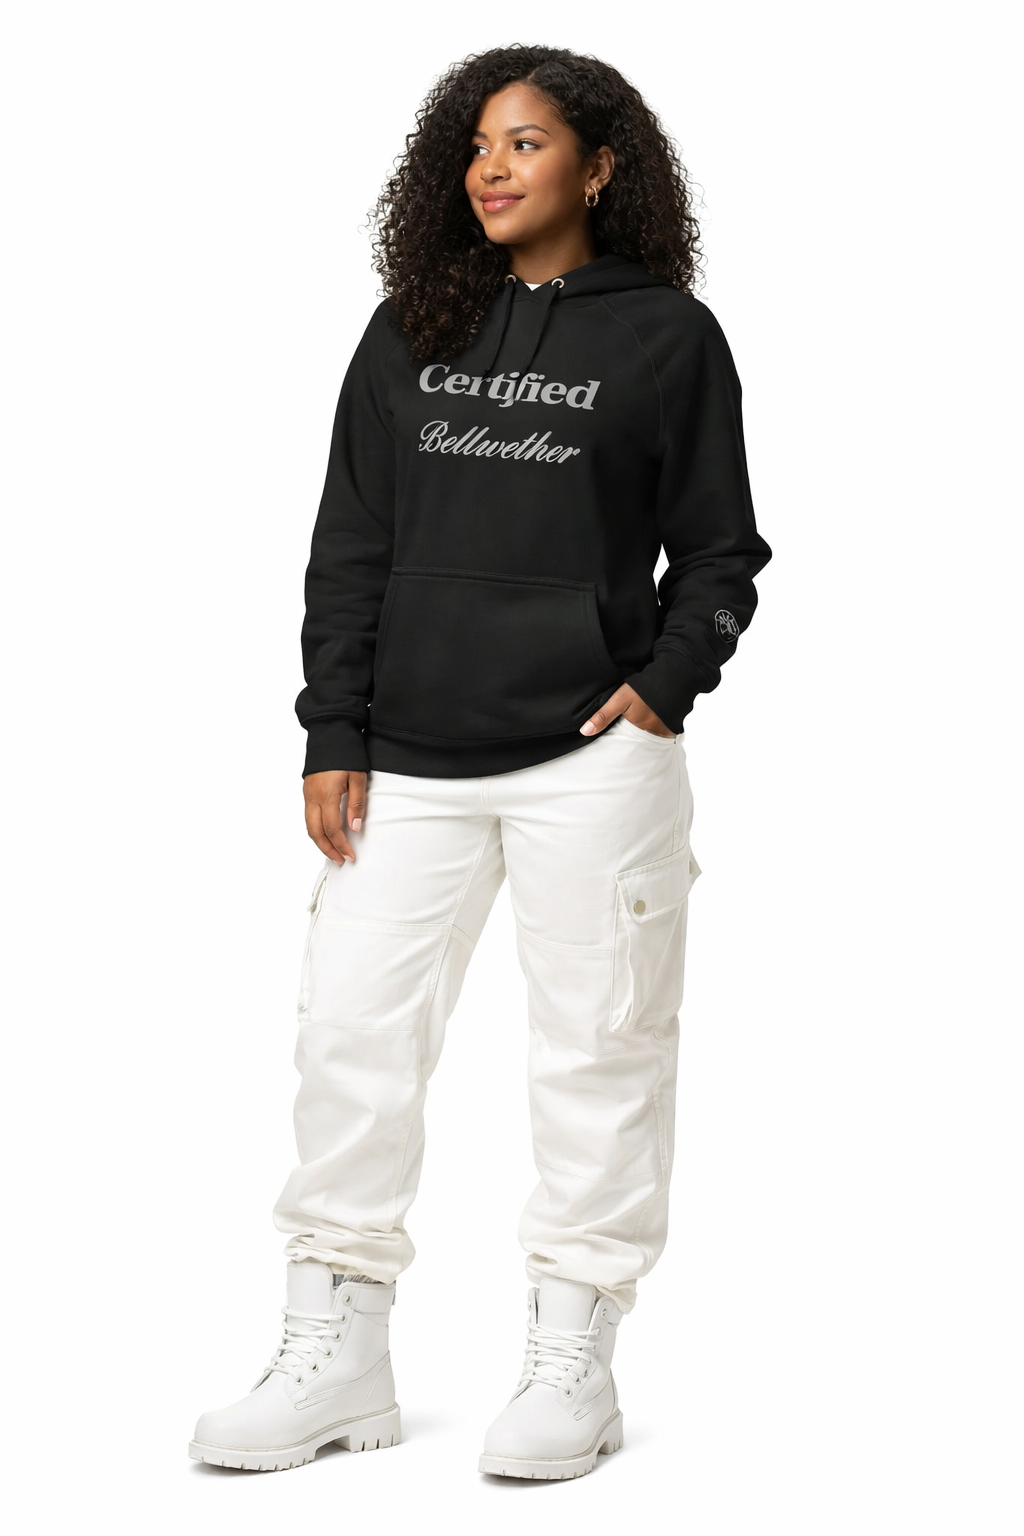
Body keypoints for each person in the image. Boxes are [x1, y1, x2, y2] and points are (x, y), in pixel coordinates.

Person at [190, 43, 772, 1480]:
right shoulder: (411, 328)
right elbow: (351, 542)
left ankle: (572, 1359)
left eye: (526, 142)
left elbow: (720, 550)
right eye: (477, 145)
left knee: (600, 1052)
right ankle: (336, 1354)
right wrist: (334, 726)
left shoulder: (668, 339)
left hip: (595, 762)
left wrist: (665, 686)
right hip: (407, 761)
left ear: (601, 167)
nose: (493, 169)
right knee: (351, 1043)